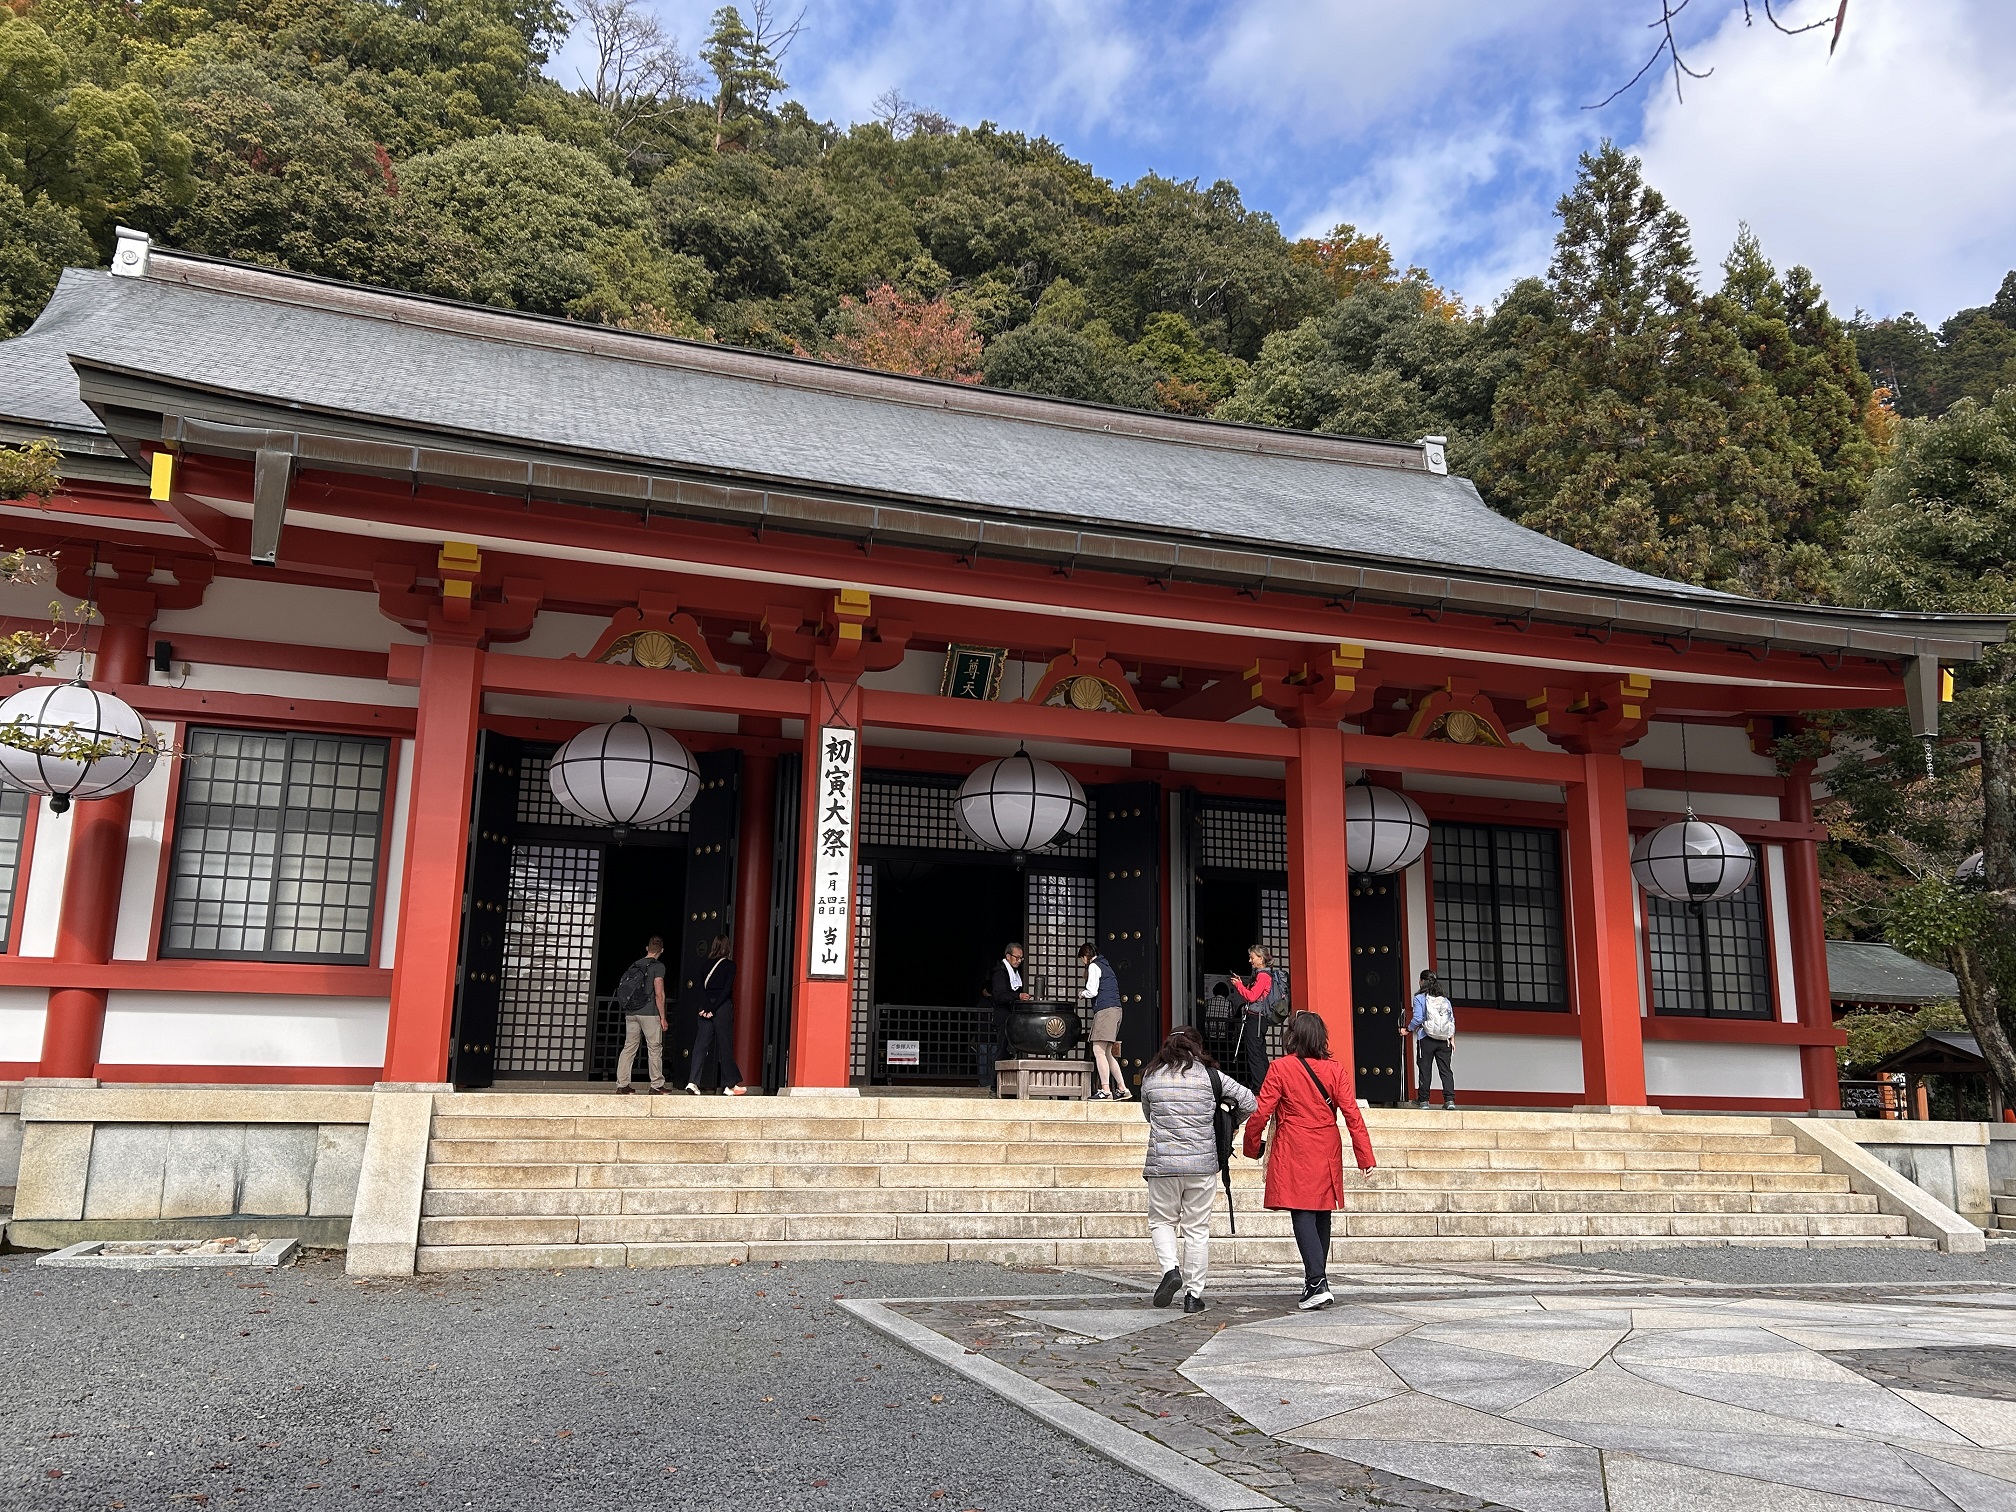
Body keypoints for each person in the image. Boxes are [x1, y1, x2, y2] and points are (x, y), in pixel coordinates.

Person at [1243, 1011, 1376, 1311]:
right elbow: (1352, 1114)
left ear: (1293, 1036)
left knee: (1302, 1210)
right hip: (1326, 1144)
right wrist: (1364, 1156)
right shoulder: (1335, 1070)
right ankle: (1315, 1279)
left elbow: (1261, 1113)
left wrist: (1252, 1147)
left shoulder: (1280, 1068)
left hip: (1294, 1144)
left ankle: (1317, 1282)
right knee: (1321, 1211)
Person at [1140, 1025, 1256, 1314]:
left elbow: (1148, 1115)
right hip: (1202, 1165)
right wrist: (1232, 1123)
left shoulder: (1151, 1076)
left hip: (1163, 1164)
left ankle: (1170, 1270)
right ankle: (1193, 1295)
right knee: (1197, 1229)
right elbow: (1249, 1101)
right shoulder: (1211, 1076)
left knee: (1162, 1221)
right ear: (1197, 1047)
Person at [687, 933, 748, 1096]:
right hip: (721, 1007)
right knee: (724, 1045)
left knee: (700, 1045)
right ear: (727, 947)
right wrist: (713, 1009)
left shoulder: (705, 965)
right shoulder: (730, 966)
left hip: (705, 1007)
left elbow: (700, 988)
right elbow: (727, 989)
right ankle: (730, 1085)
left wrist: (707, 1007)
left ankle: (693, 1082)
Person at [614, 936, 671, 1095]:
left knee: (629, 1047)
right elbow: (659, 994)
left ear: (647, 948)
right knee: (654, 1048)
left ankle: (622, 1084)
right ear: (661, 950)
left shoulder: (634, 965)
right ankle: (656, 1085)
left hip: (631, 1012)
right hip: (649, 1013)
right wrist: (663, 1017)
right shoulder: (658, 967)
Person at [1080, 941, 1128, 1101]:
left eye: (1082, 959)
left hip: (1105, 1011)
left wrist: (1082, 994)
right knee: (1107, 1053)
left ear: (1085, 956)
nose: (1082, 962)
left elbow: (1092, 991)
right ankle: (1122, 1088)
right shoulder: (1107, 966)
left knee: (1098, 1051)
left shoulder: (1094, 966)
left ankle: (1106, 1090)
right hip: (1116, 1010)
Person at [1403, 969, 1458, 1110]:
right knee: (1445, 1070)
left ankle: (1423, 1101)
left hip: (1426, 1038)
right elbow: (1451, 1020)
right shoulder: (1444, 1000)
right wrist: (1452, 1039)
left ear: (1422, 981)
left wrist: (1408, 1029)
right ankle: (1449, 1100)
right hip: (1444, 1040)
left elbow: (1418, 1018)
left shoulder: (1419, 998)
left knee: (1425, 1069)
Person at [1228, 945, 1277, 1094]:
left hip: (1256, 1019)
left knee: (1255, 1054)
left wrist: (1239, 986)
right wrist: (1242, 984)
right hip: (1259, 1019)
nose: (1250, 960)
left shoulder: (1263, 976)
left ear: (1260, 958)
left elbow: (1251, 997)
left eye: (1252, 957)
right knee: (1260, 1053)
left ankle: (1259, 1088)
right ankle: (1267, 1086)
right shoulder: (1263, 975)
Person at [983, 941, 1032, 1093]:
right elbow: (999, 995)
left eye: (1021, 958)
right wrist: (1018, 996)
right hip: (1003, 1016)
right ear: (1008, 956)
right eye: (1017, 957)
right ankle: (994, 1086)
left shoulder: (1014, 973)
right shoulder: (1000, 972)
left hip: (1012, 1017)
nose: (1019, 961)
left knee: (1010, 1051)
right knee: (1002, 1050)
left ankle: (1007, 1086)